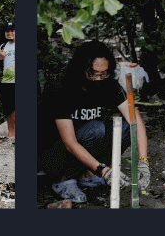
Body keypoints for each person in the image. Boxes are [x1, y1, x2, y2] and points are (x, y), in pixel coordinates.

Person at [39, 40, 150, 204]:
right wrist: (104, 170)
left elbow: (136, 123)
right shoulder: (61, 88)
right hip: (51, 153)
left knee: (126, 128)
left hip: (83, 145)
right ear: (81, 68)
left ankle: (88, 175)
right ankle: (63, 179)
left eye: (103, 73)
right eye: (93, 73)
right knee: (96, 129)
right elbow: (69, 142)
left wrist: (143, 162)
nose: (98, 79)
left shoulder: (110, 86)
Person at [0, 21, 16, 139]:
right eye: (7, 31)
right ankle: (11, 133)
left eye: (12, 31)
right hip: (6, 82)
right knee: (8, 109)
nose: (10, 33)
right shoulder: (3, 46)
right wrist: (0, 58)